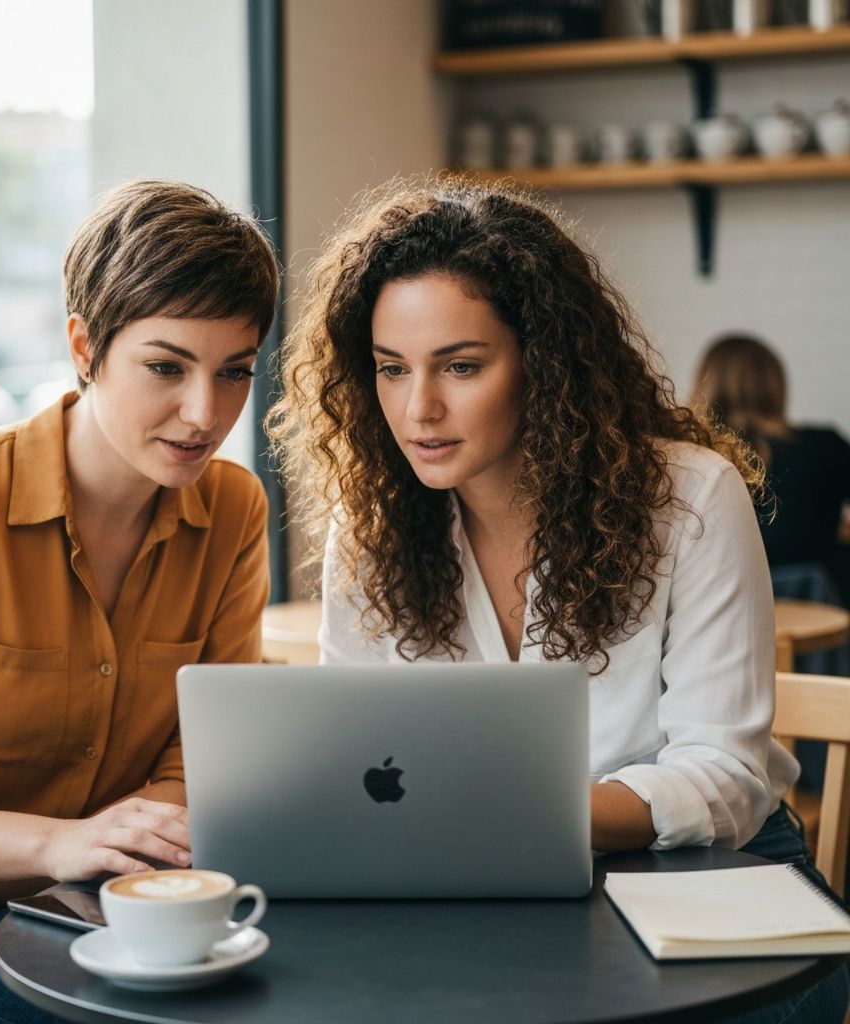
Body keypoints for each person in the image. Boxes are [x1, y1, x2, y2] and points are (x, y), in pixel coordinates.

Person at [268, 176, 848, 1023]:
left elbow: (723, 778)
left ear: (544, 361)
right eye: (392, 369)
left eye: (461, 366)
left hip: (707, 876)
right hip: (490, 880)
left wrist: (512, 814)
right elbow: (359, 755)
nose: (419, 408)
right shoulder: (375, 525)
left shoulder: (690, 498)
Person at [0, 179, 279, 1024]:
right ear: (84, 345)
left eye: (234, 373)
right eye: (166, 367)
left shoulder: (233, 510)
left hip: (80, 878)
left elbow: (197, 774)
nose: (204, 413)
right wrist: (47, 848)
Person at [692, 333, 850, 617]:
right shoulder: (825, 446)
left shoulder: (693, 457)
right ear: (775, 387)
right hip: (820, 607)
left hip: (727, 611)